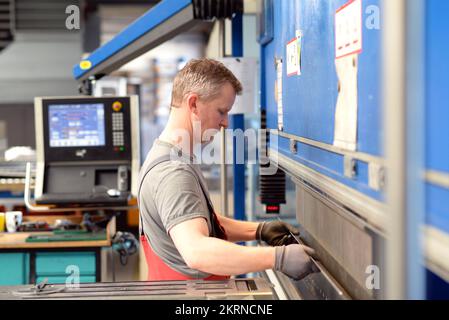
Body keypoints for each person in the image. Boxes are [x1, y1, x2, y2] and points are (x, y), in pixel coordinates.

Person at [138, 58, 317, 281]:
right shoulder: (173, 173)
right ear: (193, 104)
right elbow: (196, 251)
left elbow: (198, 221)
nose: (226, 123)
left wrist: (259, 230)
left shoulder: (171, 156)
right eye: (221, 111)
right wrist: (277, 258)